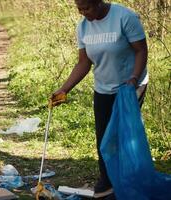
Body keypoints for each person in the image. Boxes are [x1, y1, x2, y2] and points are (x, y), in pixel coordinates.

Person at [50, 0, 148, 198]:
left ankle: (129, 183)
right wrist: (64, 89)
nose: (82, 12)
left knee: (123, 136)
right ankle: (107, 181)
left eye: (86, 7)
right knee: (103, 138)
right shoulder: (83, 27)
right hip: (103, 87)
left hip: (130, 87)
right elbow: (84, 62)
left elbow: (141, 50)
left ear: (98, 2)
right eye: (79, 8)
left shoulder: (124, 17)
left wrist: (134, 78)